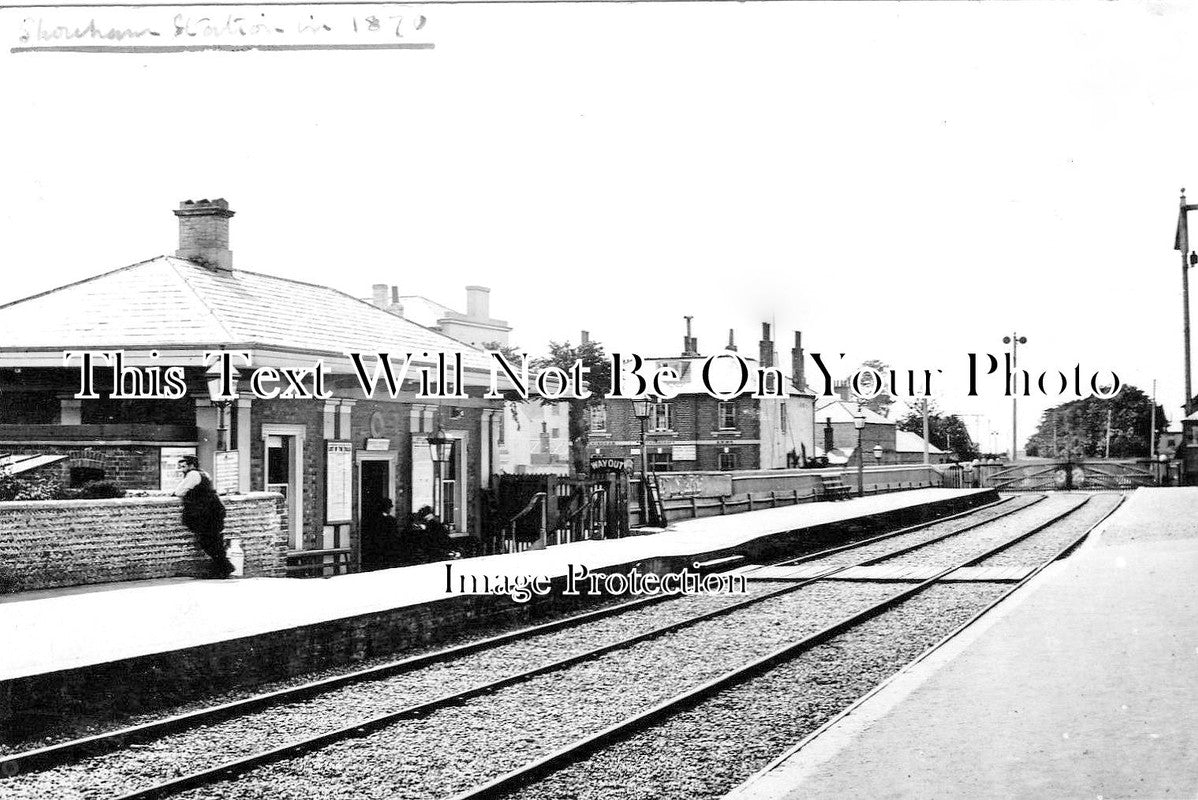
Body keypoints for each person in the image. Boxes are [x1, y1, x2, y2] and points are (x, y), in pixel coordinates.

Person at [173, 456, 234, 578]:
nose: (182, 470)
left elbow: (179, 491)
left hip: (208, 513)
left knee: (209, 541)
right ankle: (223, 568)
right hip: (213, 511)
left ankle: (224, 568)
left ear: (191, 466)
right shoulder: (203, 473)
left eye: (184, 466)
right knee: (213, 540)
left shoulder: (193, 474)